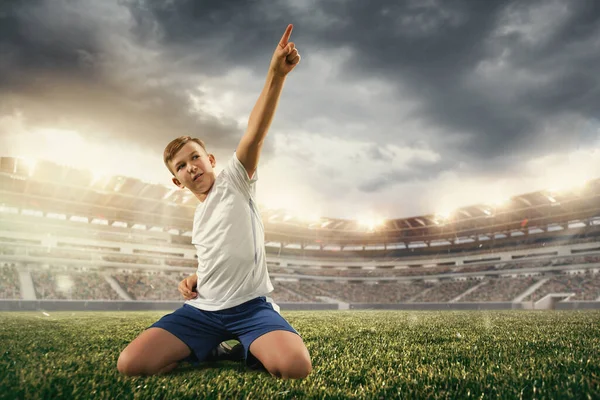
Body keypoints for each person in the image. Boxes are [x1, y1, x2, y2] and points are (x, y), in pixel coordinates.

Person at [117, 24, 312, 380]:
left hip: (251, 309)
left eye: (195, 157)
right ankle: (214, 347)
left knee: (294, 367)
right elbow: (219, 255)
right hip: (203, 312)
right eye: (181, 166)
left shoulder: (236, 181)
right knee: (132, 365)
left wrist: (276, 74)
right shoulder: (199, 216)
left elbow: (255, 131)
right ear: (177, 181)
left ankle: (246, 343)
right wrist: (196, 277)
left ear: (211, 160)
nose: (191, 167)